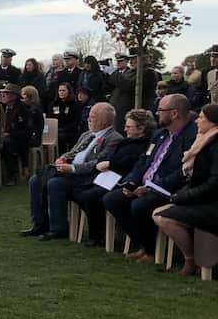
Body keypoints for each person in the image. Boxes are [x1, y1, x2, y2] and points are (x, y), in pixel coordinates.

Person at [103, 93, 197, 261]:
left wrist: (152, 187)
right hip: (144, 185)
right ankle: (143, 244)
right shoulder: (160, 134)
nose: (157, 113)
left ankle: (152, 250)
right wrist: (132, 182)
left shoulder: (191, 136)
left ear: (174, 113)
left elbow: (182, 172)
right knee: (112, 199)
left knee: (140, 205)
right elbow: (143, 161)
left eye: (161, 110)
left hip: (167, 189)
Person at [20, 103, 121, 241]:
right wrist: (62, 159)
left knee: (55, 183)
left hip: (87, 177)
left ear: (103, 121)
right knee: (35, 180)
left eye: (92, 117)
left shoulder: (114, 139)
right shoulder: (87, 134)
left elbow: (98, 163)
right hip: (69, 171)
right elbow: (73, 152)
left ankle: (59, 228)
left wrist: (72, 168)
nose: (88, 119)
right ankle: (39, 224)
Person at [71, 108, 154, 247]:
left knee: (91, 196)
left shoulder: (146, 144)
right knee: (80, 192)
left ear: (141, 128)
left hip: (122, 178)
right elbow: (110, 154)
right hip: (107, 175)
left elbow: (133, 162)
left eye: (129, 127)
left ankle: (97, 235)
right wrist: (106, 161)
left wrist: (111, 164)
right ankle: (98, 231)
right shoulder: (126, 141)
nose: (125, 129)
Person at [152, 103, 218, 275]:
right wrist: (180, 195)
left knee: (163, 217)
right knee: (158, 212)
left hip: (211, 204)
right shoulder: (203, 140)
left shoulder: (214, 145)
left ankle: (191, 259)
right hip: (200, 198)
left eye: (201, 118)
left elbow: (213, 183)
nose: (197, 121)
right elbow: (197, 179)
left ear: (212, 121)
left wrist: (183, 197)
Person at [51, 81, 80, 151]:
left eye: (63, 90)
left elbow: (75, 122)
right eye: (60, 90)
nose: (61, 92)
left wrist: (63, 129)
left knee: (61, 137)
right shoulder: (54, 104)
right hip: (55, 129)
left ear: (69, 92)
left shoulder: (74, 104)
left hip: (69, 131)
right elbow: (51, 118)